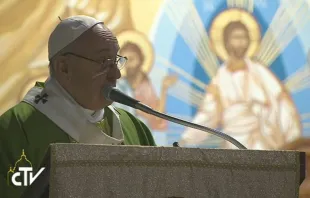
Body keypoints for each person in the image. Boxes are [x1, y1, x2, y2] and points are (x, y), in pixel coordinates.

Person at [0, 15, 156, 197]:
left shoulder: (133, 127)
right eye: (104, 62)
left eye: (116, 61)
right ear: (64, 67)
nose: (116, 75)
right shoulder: (16, 129)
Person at [179, 21, 301, 149]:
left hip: (260, 141)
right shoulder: (219, 80)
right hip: (233, 143)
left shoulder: (259, 72)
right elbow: (207, 115)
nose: (241, 42)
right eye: (237, 37)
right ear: (226, 42)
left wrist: (292, 139)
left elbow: (282, 101)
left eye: (244, 37)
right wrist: (185, 140)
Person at [116, 41, 177, 131]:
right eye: (124, 60)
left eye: (132, 59)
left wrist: (164, 89)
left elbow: (157, 117)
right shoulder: (120, 85)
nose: (128, 65)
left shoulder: (147, 87)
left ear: (141, 59)